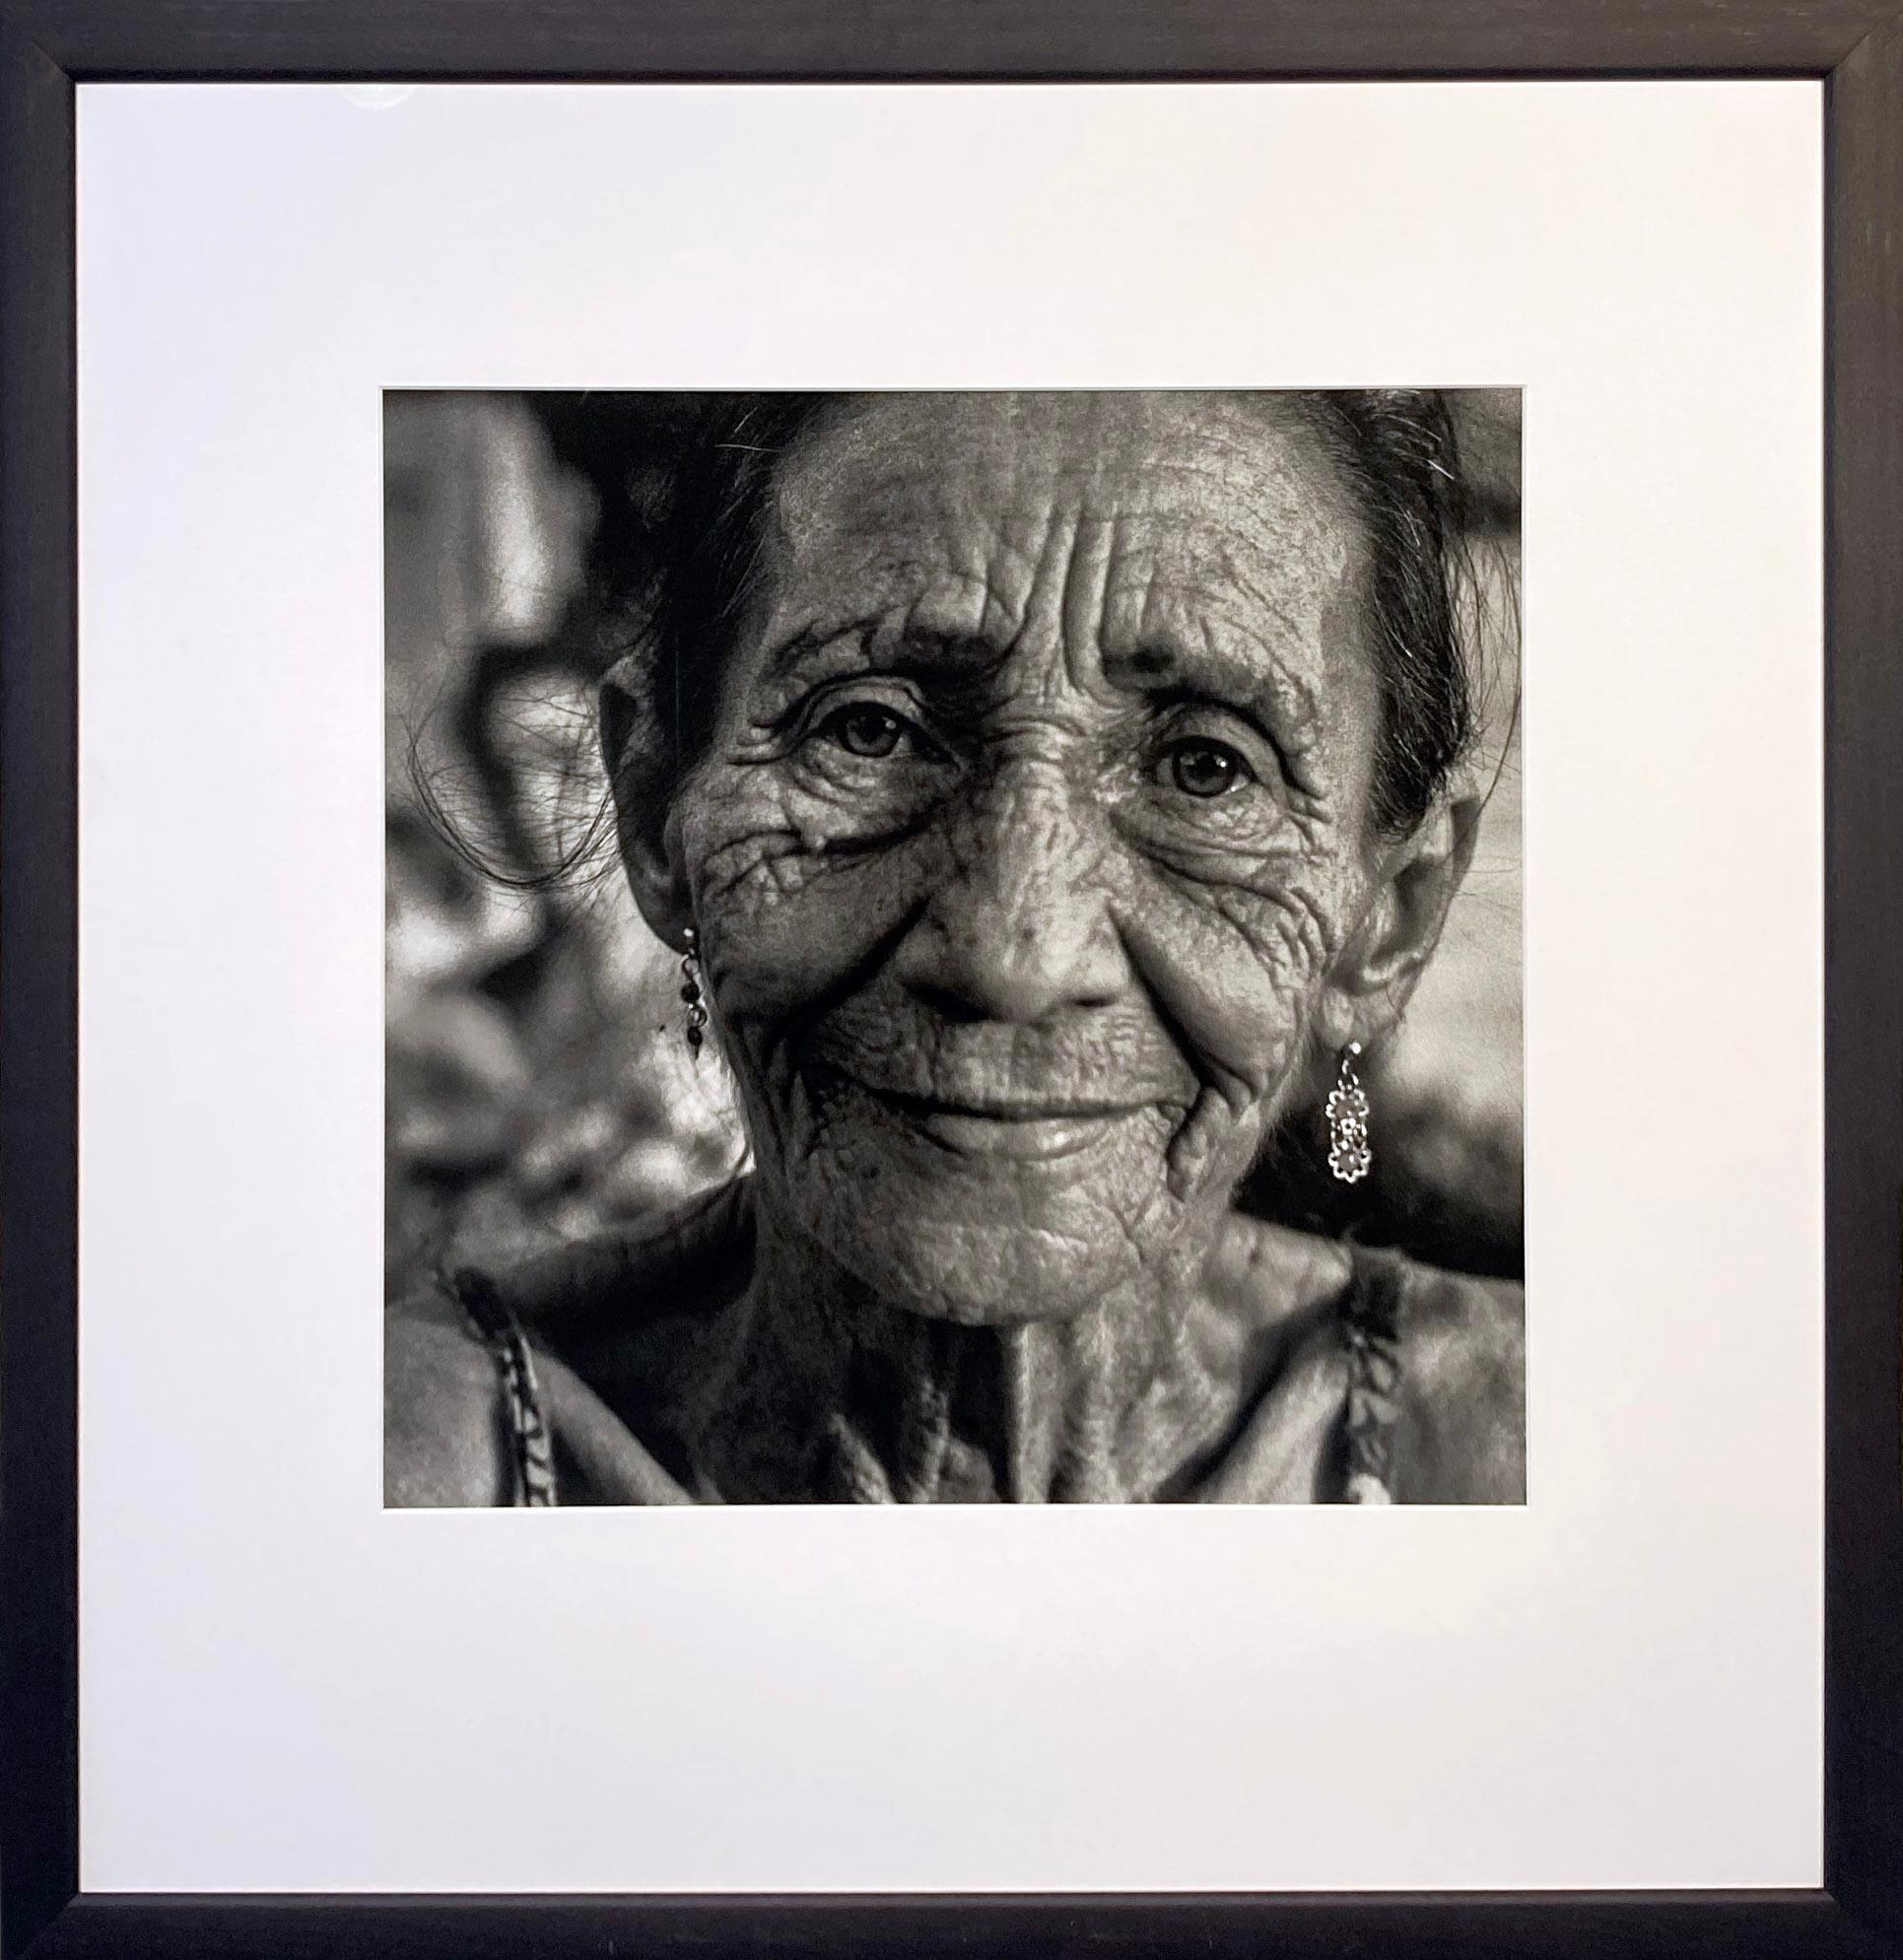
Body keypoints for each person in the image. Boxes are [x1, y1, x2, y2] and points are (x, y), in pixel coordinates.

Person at [386, 390, 1524, 1506]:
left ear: (1392, 919)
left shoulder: (1529, 1447)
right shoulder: (405, 1465)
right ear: (655, 821)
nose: (1009, 961)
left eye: (1206, 768)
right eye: (868, 729)